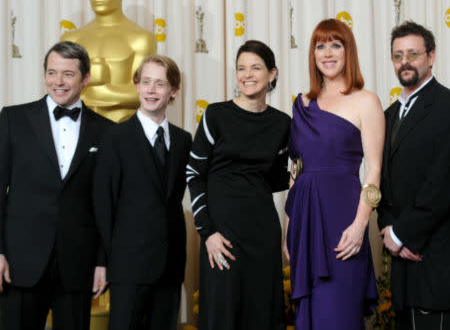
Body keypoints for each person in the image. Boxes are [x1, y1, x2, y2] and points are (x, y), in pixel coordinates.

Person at [0, 41, 113, 330]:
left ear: (85, 78)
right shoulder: (13, 119)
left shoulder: (107, 131)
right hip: (20, 262)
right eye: (52, 73)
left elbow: (107, 204)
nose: (58, 82)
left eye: (67, 74)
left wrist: (103, 261)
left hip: (78, 263)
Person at [283, 18, 384, 330]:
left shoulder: (366, 101)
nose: (327, 53)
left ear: (348, 51)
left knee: (338, 314)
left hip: (344, 223)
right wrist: (288, 227)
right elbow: (295, 171)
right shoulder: (301, 103)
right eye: (320, 45)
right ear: (312, 54)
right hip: (304, 221)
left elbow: (375, 169)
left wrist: (360, 225)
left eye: (335, 45)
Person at [187, 40, 291, 330]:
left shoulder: (282, 123)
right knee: (222, 313)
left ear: (272, 74)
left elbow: (279, 180)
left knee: (262, 315)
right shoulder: (215, 114)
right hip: (222, 236)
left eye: (255, 68)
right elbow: (194, 174)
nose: (247, 74)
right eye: (241, 68)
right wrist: (207, 233)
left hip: (263, 234)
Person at [377, 21, 450, 330]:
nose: (404, 62)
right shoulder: (389, 115)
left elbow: (445, 183)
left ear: (431, 57)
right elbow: (383, 182)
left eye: (413, 54)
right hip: (403, 262)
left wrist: (402, 234)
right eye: (398, 55)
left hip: (437, 257)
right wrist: (389, 230)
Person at [93, 55, 192, 330]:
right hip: (127, 264)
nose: (151, 90)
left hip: (170, 264)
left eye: (159, 84)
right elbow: (104, 204)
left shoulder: (184, 140)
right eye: (146, 82)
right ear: (136, 85)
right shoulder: (115, 138)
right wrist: (102, 261)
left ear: (173, 91)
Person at [61, 0, 157, 122]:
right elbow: (60, 91)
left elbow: (144, 93)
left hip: (122, 128)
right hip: (77, 129)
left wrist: (97, 91)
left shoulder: (140, 38)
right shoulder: (71, 39)